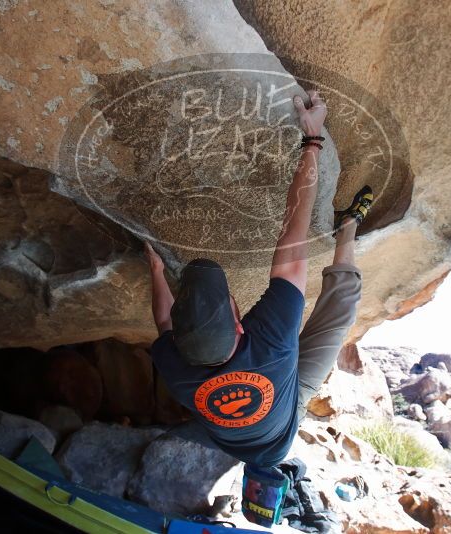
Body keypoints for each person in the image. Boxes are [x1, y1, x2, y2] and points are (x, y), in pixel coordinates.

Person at [144, 89, 373, 468]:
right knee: (342, 308)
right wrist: (312, 140)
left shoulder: (178, 370)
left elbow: (164, 322)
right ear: (240, 325)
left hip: (241, 432)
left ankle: (348, 225)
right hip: (286, 417)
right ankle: (347, 226)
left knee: (333, 320)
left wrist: (154, 269)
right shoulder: (268, 344)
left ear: (181, 343)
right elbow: (293, 235)